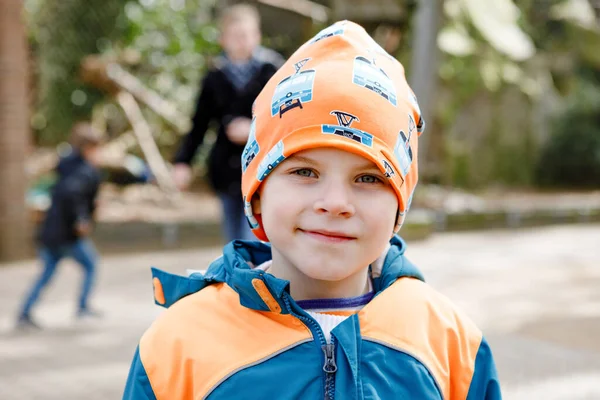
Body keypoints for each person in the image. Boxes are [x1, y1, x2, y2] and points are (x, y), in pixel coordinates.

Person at [123, 21, 502, 399]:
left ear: (400, 205)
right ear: (257, 193)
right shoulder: (177, 348)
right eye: (304, 171)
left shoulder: (453, 346)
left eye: (369, 178)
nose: (336, 203)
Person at [172, 3, 284, 243]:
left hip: (263, 168)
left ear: (257, 36)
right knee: (234, 241)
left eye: (246, 35)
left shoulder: (273, 71)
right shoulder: (215, 77)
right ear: (223, 39)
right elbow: (199, 123)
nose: (241, 41)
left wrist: (253, 130)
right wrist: (183, 162)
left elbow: (288, 116)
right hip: (227, 170)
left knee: (254, 237)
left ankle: (252, 278)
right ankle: (237, 278)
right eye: (235, 36)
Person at [17, 122, 103, 329]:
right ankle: (82, 307)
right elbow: (73, 195)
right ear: (88, 148)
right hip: (67, 234)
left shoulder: (64, 164)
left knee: (47, 273)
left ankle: (25, 311)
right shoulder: (84, 170)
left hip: (50, 231)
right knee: (91, 264)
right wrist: (81, 219)